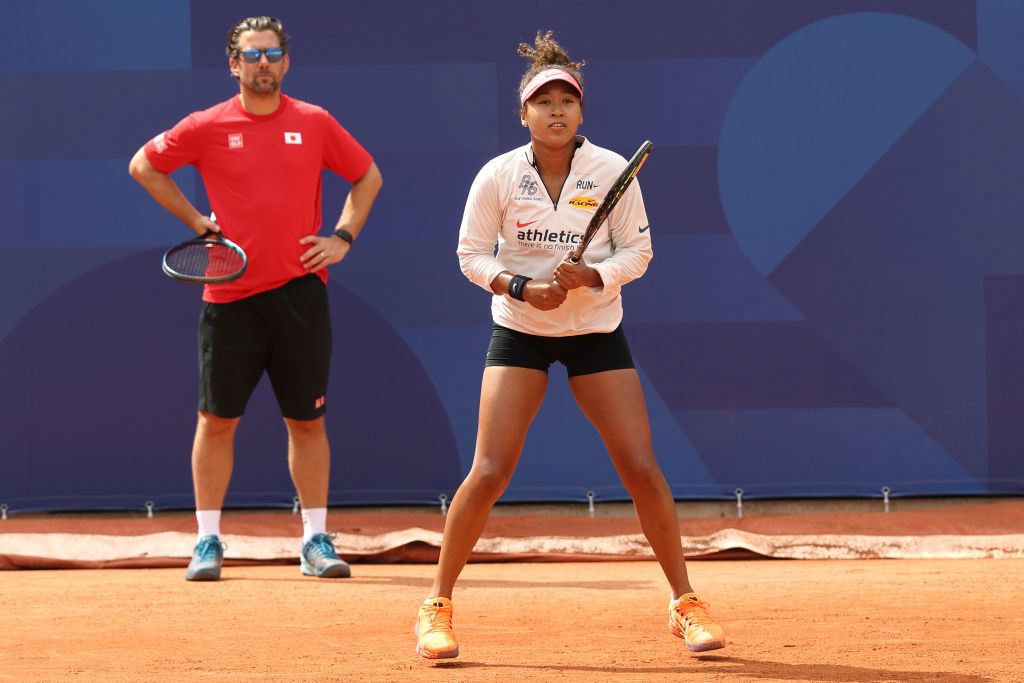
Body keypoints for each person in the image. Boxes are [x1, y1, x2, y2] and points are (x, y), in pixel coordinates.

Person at [414, 31, 725, 658]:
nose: (555, 111)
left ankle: (685, 603)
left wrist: (595, 276)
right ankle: (436, 607)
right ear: (523, 113)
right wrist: (521, 287)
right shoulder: (497, 176)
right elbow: (470, 256)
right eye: (543, 101)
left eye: (567, 100)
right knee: (490, 470)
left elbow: (639, 251)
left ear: (580, 112)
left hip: (595, 333)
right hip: (521, 329)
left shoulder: (612, 171)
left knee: (641, 469)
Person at [128, 16, 382, 582]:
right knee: (216, 421)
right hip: (230, 298)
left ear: (286, 62)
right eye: (251, 54)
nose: (262, 63)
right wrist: (197, 220)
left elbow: (368, 177)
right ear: (234, 64)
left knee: (307, 423)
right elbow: (143, 165)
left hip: (300, 295)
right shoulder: (206, 125)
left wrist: (341, 238)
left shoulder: (314, 122)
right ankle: (207, 541)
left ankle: (315, 539)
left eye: (272, 53)